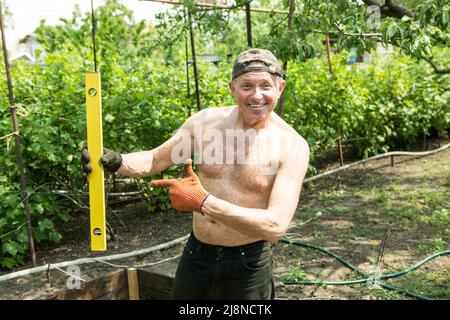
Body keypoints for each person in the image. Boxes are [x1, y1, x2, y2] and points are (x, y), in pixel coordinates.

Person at [81, 48, 310, 299]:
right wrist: (116, 162)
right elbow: (155, 159)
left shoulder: (291, 146)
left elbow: (275, 226)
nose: (257, 95)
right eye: (247, 86)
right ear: (232, 89)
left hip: (247, 265)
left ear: (280, 88)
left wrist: (203, 202)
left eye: (265, 85)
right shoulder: (206, 124)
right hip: (197, 256)